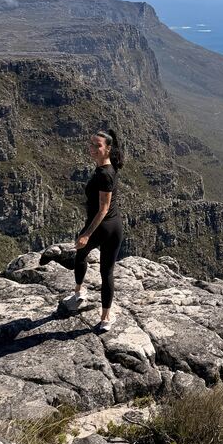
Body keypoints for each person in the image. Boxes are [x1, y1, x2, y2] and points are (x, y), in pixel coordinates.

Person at [62, 129, 124, 332]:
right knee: (106, 271)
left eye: (97, 145)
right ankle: (105, 318)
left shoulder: (105, 174)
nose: (92, 148)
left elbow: (103, 209)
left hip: (103, 226)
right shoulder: (108, 168)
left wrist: (86, 234)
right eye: (91, 144)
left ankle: (80, 294)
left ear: (108, 149)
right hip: (114, 227)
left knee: (81, 255)